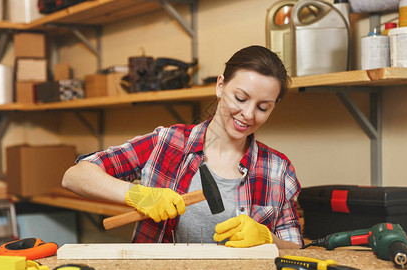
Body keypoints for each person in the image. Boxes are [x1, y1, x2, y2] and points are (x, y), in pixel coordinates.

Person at [62, 45, 303, 249]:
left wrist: (266, 238)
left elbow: (297, 248)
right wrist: (137, 194)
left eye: (263, 107)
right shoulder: (167, 143)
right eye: (240, 98)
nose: (248, 114)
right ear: (220, 86)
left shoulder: (277, 170)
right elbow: (74, 177)